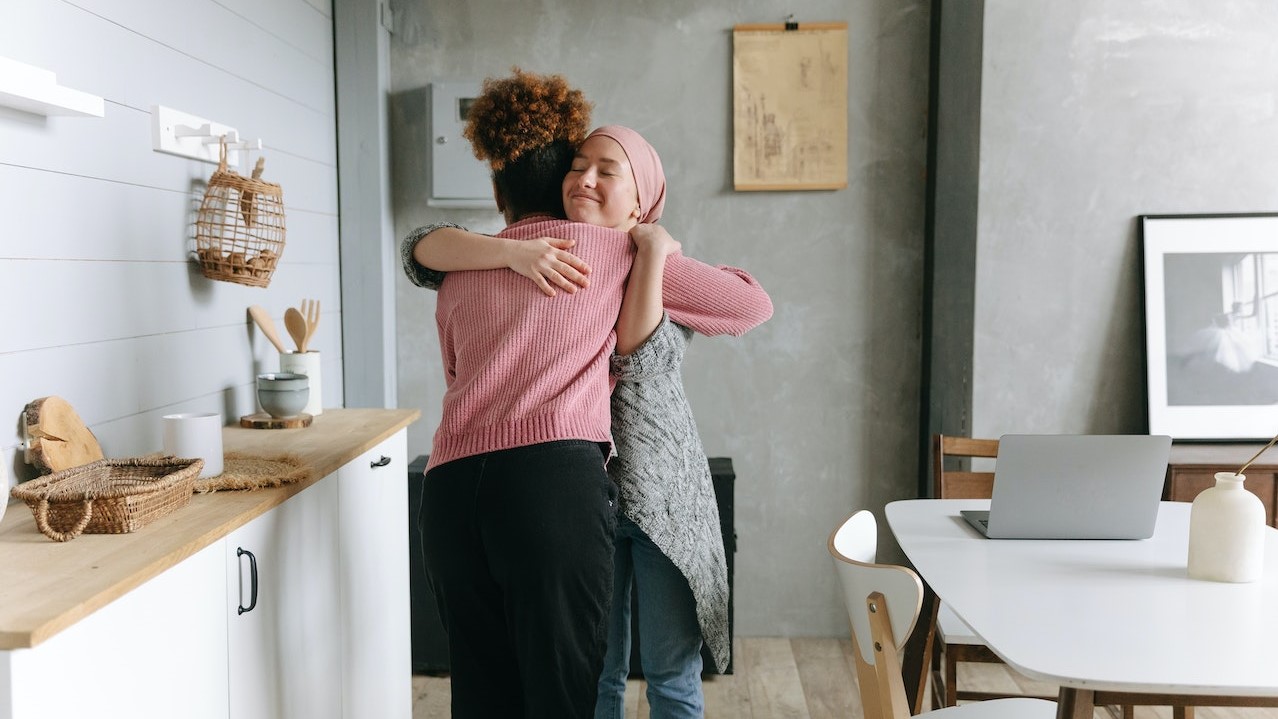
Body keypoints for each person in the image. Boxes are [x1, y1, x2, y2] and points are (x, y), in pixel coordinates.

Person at [401, 70, 771, 719]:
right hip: (552, 488)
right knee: (568, 691)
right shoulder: (603, 251)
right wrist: (646, 247)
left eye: (606, 170)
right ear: (557, 180)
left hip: (455, 488)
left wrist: (507, 252)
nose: (587, 180)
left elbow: (421, 260)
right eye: (579, 165)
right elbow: (748, 304)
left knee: (485, 690)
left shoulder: (461, 266)